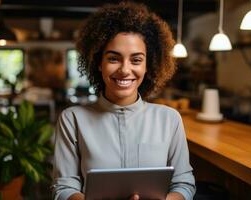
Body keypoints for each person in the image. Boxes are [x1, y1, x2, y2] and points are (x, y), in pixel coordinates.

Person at [52, 2, 196, 200]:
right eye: (113, 59)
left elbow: (184, 183)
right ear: (98, 63)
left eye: (136, 60)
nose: (125, 70)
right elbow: (64, 188)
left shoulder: (169, 119)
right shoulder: (72, 119)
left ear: (148, 66)